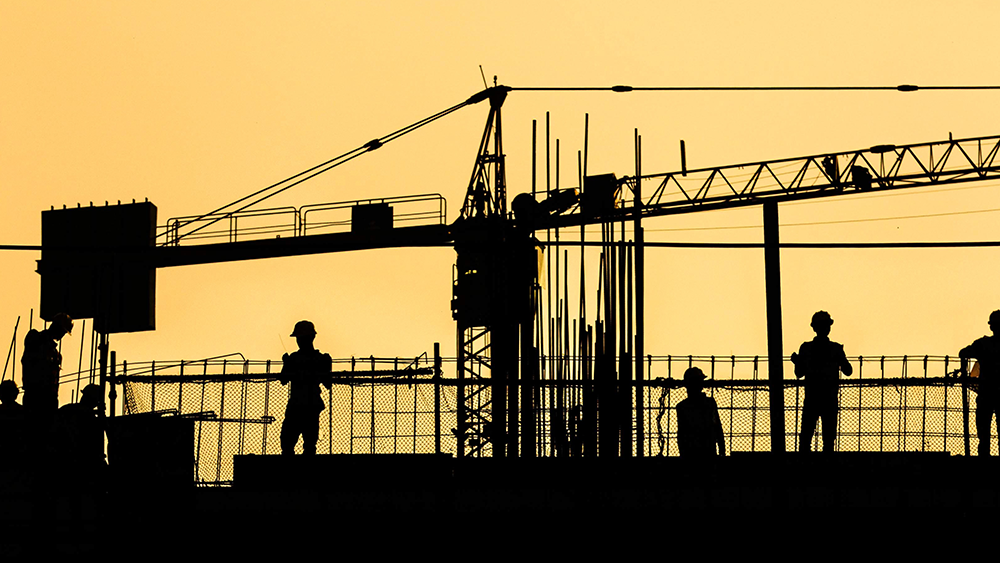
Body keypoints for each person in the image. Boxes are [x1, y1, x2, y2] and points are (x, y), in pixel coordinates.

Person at [791, 311, 852, 452]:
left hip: (812, 398)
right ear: (828, 328)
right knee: (828, 441)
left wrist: (797, 362)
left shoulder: (806, 348)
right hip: (829, 399)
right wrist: (840, 359)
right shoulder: (835, 349)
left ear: (814, 328)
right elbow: (848, 371)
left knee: (805, 439)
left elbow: (799, 373)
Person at [279, 320, 333, 455]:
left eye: (301, 337)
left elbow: (283, 379)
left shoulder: (297, 359)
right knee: (296, 443)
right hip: (307, 405)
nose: (299, 340)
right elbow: (284, 380)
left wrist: (288, 364)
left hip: (302, 405)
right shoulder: (318, 359)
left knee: (301, 443)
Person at [959, 310, 1000, 457]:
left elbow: (963, 353)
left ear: (991, 327)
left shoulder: (983, 344)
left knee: (983, 431)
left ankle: (984, 458)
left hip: (986, 393)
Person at [20, 313, 73, 413]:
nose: (62, 335)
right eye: (62, 331)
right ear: (55, 326)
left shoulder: (56, 354)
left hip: (50, 399)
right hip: (34, 396)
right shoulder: (35, 337)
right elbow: (34, 356)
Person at [676, 367, 725, 458]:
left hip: (691, 453)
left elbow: (681, 435)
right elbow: (717, 427)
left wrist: (683, 453)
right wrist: (722, 449)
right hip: (708, 451)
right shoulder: (709, 403)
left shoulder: (682, 406)